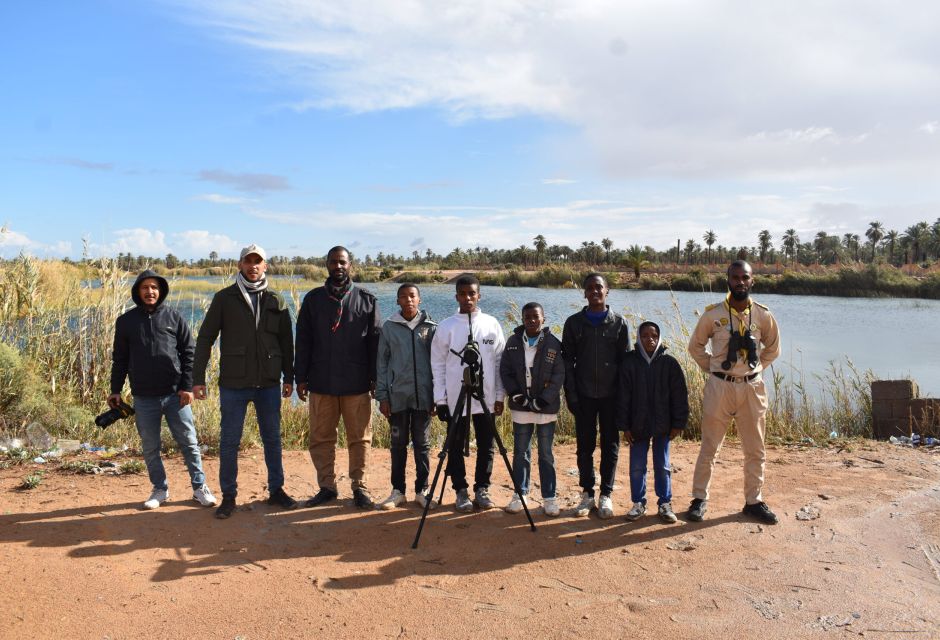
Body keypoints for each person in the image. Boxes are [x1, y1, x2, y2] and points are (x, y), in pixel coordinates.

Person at [193, 244, 298, 519]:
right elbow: (205, 338)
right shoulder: (224, 298)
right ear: (240, 265)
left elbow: (287, 342)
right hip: (233, 383)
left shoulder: (277, 299)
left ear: (265, 266)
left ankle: (276, 490)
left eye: (257, 262)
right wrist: (198, 378)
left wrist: (289, 376)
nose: (253, 266)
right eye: (248, 261)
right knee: (229, 441)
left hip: (268, 383)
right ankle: (229, 496)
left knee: (272, 439)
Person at [109, 270, 217, 510]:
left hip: (175, 395)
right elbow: (120, 359)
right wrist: (115, 389)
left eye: (154, 287)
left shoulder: (174, 317)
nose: (150, 291)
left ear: (161, 291)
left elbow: (189, 353)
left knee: (189, 443)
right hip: (143, 397)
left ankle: (200, 488)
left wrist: (187, 386)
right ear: (138, 291)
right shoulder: (126, 321)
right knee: (150, 447)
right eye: (145, 287)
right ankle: (160, 489)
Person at [687, 260, 781, 524]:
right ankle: (699, 499)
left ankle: (754, 501)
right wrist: (714, 369)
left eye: (745, 277)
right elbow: (695, 347)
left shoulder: (763, 315)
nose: (740, 282)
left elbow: (773, 348)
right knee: (709, 446)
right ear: (727, 280)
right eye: (736, 277)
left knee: (755, 448)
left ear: (752, 281)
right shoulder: (712, 315)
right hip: (720, 387)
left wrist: (755, 369)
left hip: (752, 388)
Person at [295, 246, 381, 509]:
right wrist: (301, 377)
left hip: (357, 382)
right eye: (333, 262)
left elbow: (375, 343)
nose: (338, 266)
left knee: (360, 438)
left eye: (342, 262)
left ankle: (360, 487)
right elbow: (303, 341)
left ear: (350, 265)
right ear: (327, 265)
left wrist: (375, 378)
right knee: (321, 438)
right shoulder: (313, 300)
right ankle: (327, 487)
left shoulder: (367, 300)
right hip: (322, 381)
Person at [430, 275, 506, 512]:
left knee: (486, 444)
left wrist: (499, 396)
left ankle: (482, 488)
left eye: (472, 293)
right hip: (456, 397)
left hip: (486, 396)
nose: (467, 298)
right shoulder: (446, 326)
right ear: (456, 297)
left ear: (479, 295)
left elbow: (499, 362)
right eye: (462, 294)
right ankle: (460, 490)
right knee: (454, 445)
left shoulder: (491, 324)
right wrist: (440, 400)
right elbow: (437, 365)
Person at [562, 273, 631, 519]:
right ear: (584, 293)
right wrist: (571, 395)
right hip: (583, 396)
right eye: (589, 288)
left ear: (607, 291)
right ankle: (588, 493)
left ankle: (606, 495)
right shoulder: (573, 323)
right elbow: (567, 362)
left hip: (611, 396)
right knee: (585, 446)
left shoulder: (619, 323)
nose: (594, 291)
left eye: (599, 287)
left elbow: (626, 364)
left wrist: (624, 398)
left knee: (610, 446)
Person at [618, 321, 689, 523]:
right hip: (637, 425)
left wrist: (678, 423)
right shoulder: (629, 363)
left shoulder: (669, 363)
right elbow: (622, 397)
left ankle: (665, 503)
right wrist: (624, 426)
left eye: (654, 336)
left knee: (663, 466)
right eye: (645, 336)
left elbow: (679, 396)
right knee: (637, 467)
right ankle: (638, 503)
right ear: (638, 338)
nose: (650, 339)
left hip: (663, 425)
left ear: (659, 338)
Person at [374, 283, 437, 510]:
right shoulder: (389, 327)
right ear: (397, 301)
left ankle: (422, 490)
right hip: (397, 397)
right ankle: (398, 491)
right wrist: (382, 396)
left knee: (422, 444)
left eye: (412, 296)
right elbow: (382, 364)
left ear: (419, 299)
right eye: (403, 296)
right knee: (398, 445)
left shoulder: (431, 327)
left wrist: (437, 395)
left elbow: (438, 364)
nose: (408, 300)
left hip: (423, 397)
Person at [499, 302, 565, 517]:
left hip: (546, 408)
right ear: (522, 319)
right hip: (521, 407)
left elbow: (558, 376)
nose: (532, 320)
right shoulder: (513, 342)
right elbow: (505, 371)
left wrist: (543, 400)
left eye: (536, 316)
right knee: (521, 453)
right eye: (527, 317)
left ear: (543, 319)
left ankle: (549, 498)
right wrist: (515, 394)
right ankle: (520, 494)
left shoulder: (553, 344)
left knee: (545, 454)